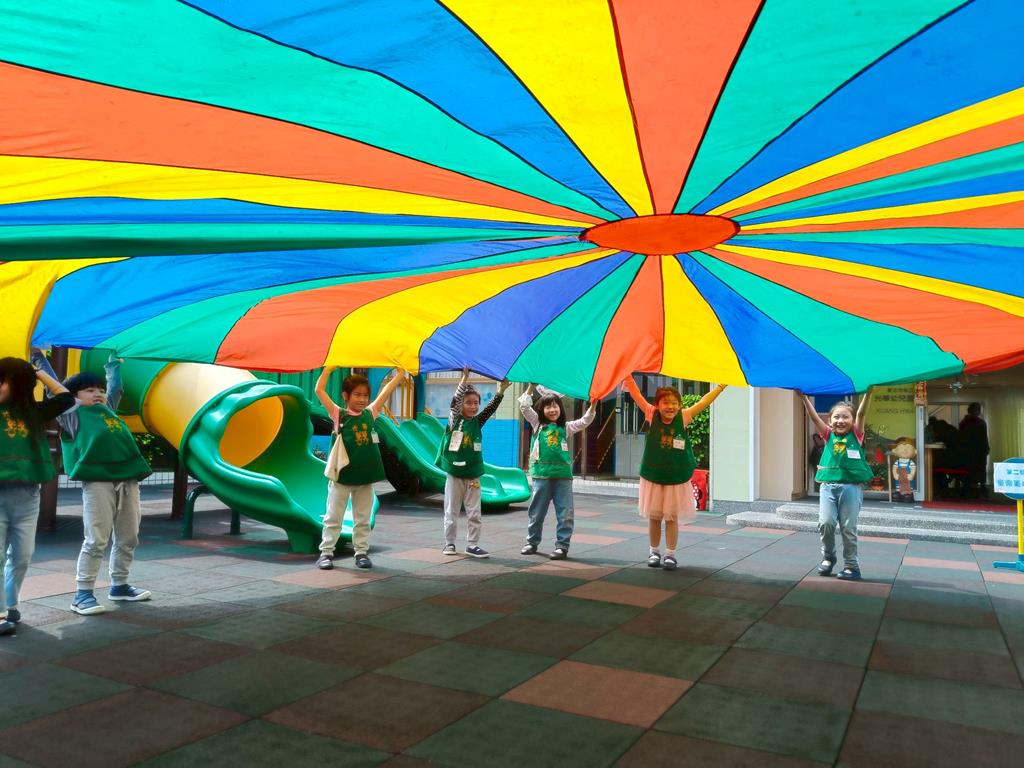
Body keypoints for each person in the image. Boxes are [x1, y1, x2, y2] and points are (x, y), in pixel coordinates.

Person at [36, 352, 154, 615]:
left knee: (129, 536)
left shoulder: (107, 409)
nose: (98, 394)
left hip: (128, 480)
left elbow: (116, 388)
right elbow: (54, 388)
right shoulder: (72, 414)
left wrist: (113, 364)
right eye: (89, 390)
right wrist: (39, 360)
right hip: (98, 483)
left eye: (100, 390)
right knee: (96, 538)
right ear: (74, 396)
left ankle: (120, 585)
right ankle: (83, 593)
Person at [0, 354, 74, 635]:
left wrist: (37, 372)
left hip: (28, 496)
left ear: (18, 385)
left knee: (22, 556)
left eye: (3, 382)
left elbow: (65, 398)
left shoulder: (33, 413)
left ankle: (10, 603)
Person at [623, 377, 726, 570]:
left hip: (675, 476)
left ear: (679, 405)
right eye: (665, 402)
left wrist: (720, 386)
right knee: (654, 516)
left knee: (671, 517)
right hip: (654, 475)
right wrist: (627, 377)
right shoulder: (651, 414)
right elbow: (636, 395)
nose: (670, 406)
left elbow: (704, 402)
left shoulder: (684, 416)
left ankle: (670, 554)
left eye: (674, 403)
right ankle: (654, 552)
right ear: (657, 405)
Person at [315, 367, 407, 570]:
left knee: (363, 518)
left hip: (365, 477)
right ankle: (326, 553)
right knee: (333, 517)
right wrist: (329, 369)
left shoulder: (370, 413)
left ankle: (361, 552)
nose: (362, 399)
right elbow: (319, 390)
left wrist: (401, 373)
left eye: (365, 395)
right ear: (345, 396)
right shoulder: (338, 414)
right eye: (357, 395)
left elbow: (386, 391)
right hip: (342, 477)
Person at [798, 390, 873, 580]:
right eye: (836, 417)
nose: (840, 420)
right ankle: (828, 557)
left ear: (853, 420)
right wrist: (804, 398)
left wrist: (869, 393)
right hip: (828, 487)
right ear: (830, 421)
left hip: (851, 488)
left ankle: (852, 566)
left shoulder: (856, 435)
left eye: (845, 417)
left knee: (848, 528)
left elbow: (862, 413)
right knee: (826, 523)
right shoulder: (828, 435)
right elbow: (814, 418)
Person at [518, 384, 596, 559]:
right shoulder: (537, 424)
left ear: (561, 408)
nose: (552, 410)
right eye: (548, 407)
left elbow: (584, 421)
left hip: (563, 477)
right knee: (536, 512)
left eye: (555, 406)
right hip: (541, 475)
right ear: (542, 410)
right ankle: (532, 542)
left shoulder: (566, 427)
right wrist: (530, 388)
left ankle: (562, 546)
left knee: (565, 512)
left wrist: (593, 404)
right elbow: (524, 407)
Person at [438, 367, 509, 558]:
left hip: (473, 475)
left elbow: (490, 409)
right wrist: (464, 379)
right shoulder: (454, 421)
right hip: (455, 474)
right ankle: (449, 544)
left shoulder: (477, 422)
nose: (473, 406)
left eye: (476, 403)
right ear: (461, 404)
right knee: (451, 511)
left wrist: (501, 391)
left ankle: (472, 544)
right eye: (468, 403)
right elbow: (454, 403)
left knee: (474, 512)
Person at [959, 402, 989, 496]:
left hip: (968, 450)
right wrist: (986, 449)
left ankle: (966, 487)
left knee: (969, 469)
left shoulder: (963, 422)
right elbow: (984, 438)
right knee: (981, 469)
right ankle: (982, 487)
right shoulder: (981, 422)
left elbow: (961, 437)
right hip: (979, 450)